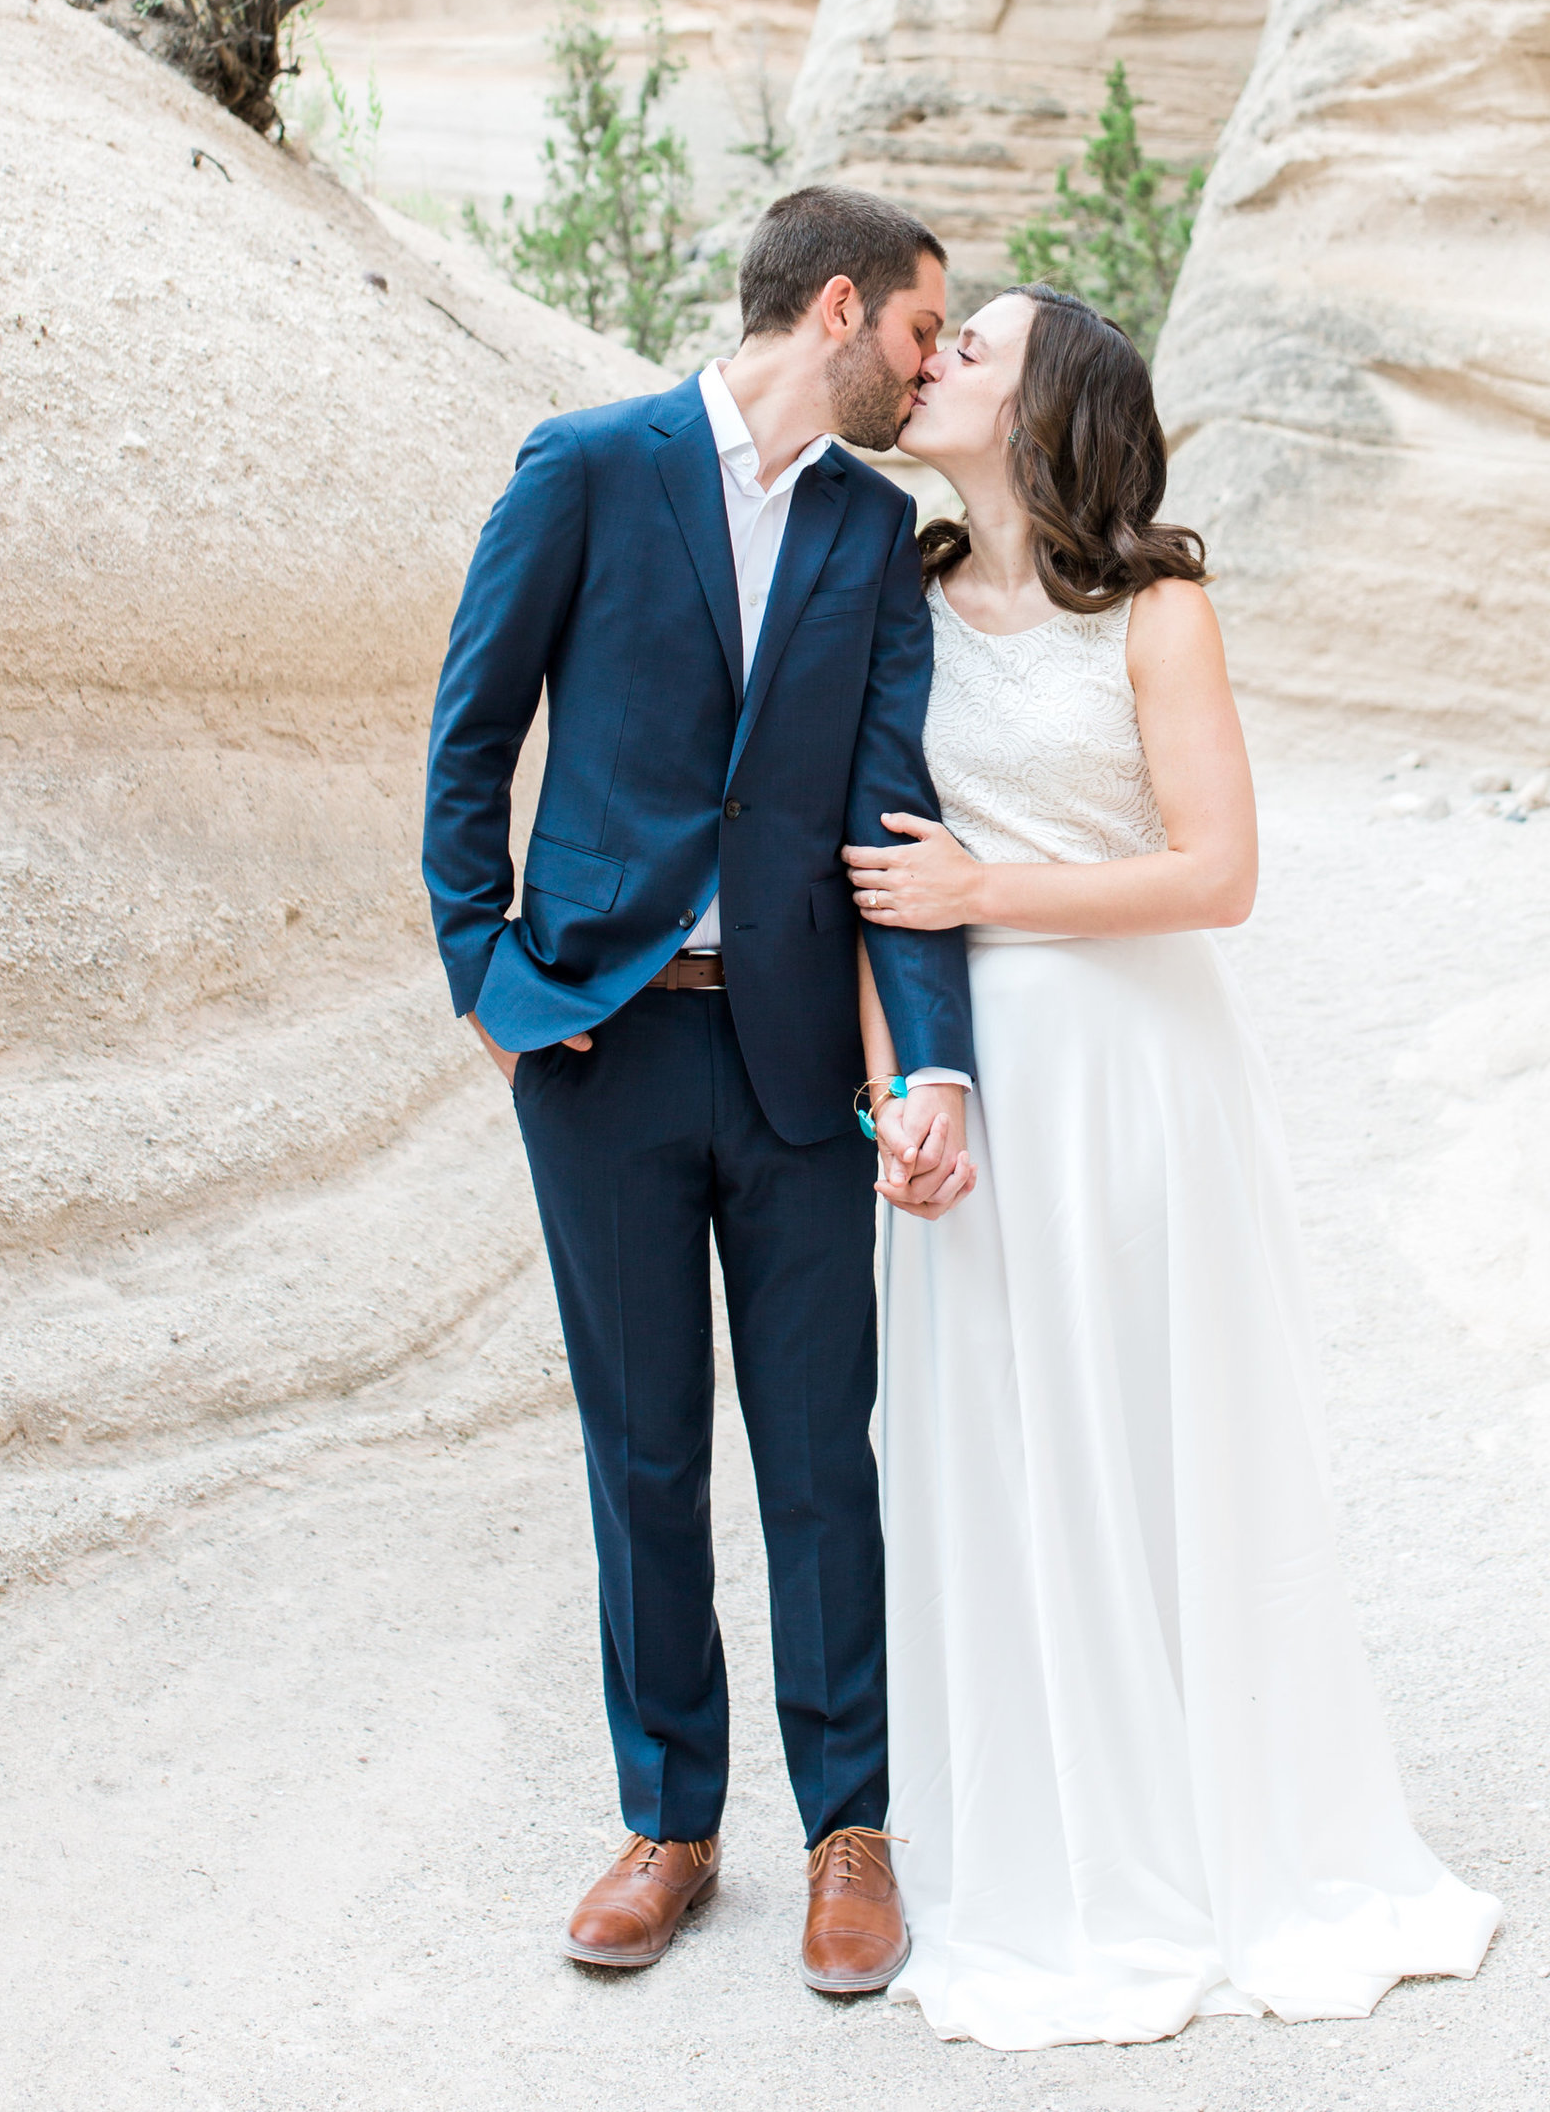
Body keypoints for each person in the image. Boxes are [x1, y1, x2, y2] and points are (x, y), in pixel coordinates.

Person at [850, 284, 1502, 2048]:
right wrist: (896, 1084)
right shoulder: (893, 595)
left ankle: (1228, 1832)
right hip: (972, 1084)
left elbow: (1218, 874)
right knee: (999, 1446)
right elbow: (866, 869)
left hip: (1139, 1067)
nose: (937, 364)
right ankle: (1056, 1826)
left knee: (1161, 1431)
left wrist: (990, 895)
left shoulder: (1155, 606)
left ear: (1049, 401)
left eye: (972, 348)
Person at [421, 185, 977, 2000]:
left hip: (797, 1059)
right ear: (836, 307)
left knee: (823, 1455)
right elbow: (472, 736)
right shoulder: (590, 465)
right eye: (917, 332)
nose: (926, 368)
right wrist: (492, 981)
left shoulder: (877, 534)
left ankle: (849, 1831)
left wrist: (931, 1059)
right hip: (605, 1047)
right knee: (644, 1447)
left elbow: (893, 815)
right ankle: (670, 1823)